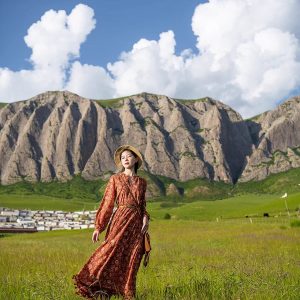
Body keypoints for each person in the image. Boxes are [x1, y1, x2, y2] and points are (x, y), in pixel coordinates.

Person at [72, 144, 150, 299]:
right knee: (110, 250)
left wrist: (146, 218)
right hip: (120, 219)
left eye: (128, 156)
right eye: (122, 158)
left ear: (135, 159)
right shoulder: (115, 179)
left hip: (136, 225)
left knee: (131, 257)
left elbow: (142, 205)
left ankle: (128, 293)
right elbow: (107, 203)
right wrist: (98, 227)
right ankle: (94, 284)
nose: (125, 159)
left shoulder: (142, 182)